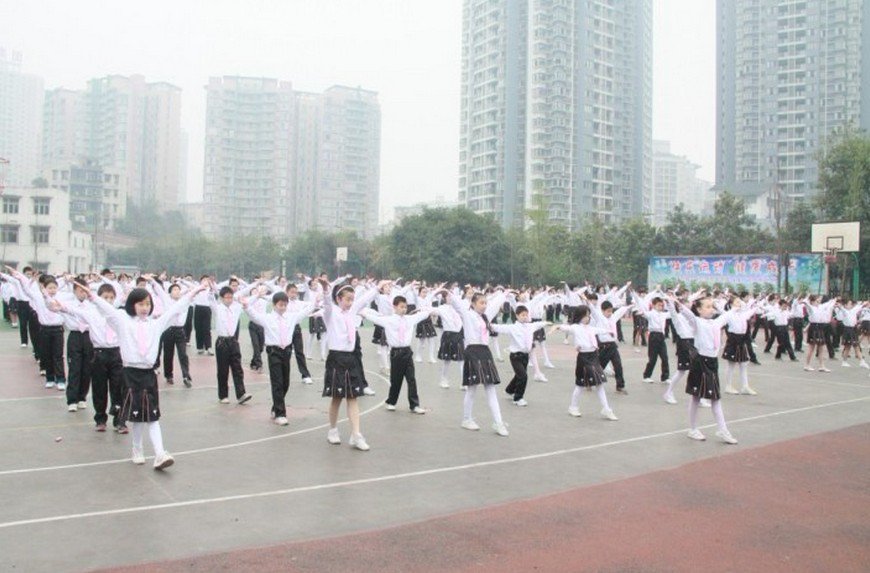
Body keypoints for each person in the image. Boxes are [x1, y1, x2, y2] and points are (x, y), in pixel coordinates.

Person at [88, 280, 207, 469]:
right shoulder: (122, 321)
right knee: (137, 417)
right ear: (132, 305)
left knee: (152, 416)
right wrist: (92, 296)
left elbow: (175, 309)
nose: (145, 308)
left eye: (148, 304)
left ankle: (160, 453)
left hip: (148, 374)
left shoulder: (156, 324)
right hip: (130, 373)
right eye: (141, 304)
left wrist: (193, 293)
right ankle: (137, 449)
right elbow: (107, 310)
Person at [52, 283, 128, 432]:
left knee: (118, 388)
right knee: (99, 388)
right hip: (98, 353)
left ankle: (120, 420)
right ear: (98, 298)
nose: (108, 300)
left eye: (111, 297)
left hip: (116, 354)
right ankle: (100, 419)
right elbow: (73, 310)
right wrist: (59, 306)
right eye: (105, 297)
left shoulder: (119, 314)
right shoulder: (91, 313)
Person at [669, 293, 739, 445]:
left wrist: (736, 306)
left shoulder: (715, 323)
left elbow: (728, 314)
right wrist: (677, 302)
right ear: (699, 310)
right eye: (707, 307)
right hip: (700, 363)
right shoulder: (697, 322)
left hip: (712, 363)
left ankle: (722, 429)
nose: (710, 309)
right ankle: (694, 429)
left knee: (715, 397)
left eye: (711, 306)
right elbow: (688, 314)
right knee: (696, 397)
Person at [321, 279, 381, 450]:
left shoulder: (352, 311)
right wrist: (326, 290)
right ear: (338, 298)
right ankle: (332, 430)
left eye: (352, 299)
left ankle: (356, 435)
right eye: (347, 299)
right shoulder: (331, 313)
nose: (350, 302)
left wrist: (377, 287)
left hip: (351, 358)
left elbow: (364, 300)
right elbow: (326, 304)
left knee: (353, 397)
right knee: (337, 397)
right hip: (336, 358)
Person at [243, 290, 315, 425]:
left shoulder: (291, 317)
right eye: (280, 305)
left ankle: (276, 407)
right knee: (277, 382)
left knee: (286, 383)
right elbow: (253, 316)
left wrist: (315, 302)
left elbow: (304, 312)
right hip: (274, 352)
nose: (282, 307)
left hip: (286, 352)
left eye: (285, 305)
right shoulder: (267, 318)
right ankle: (280, 414)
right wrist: (246, 306)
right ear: (274, 305)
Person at [446, 288, 510, 437]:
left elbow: (494, 305)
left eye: (485, 302)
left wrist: (504, 294)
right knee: (472, 389)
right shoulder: (468, 315)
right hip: (472, 352)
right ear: (473, 304)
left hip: (485, 352)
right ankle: (466, 419)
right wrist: (449, 293)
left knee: (490, 388)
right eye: (481, 303)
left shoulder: (485, 317)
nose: (484, 305)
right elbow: (459, 307)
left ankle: (498, 422)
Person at [361, 295, 433, 414]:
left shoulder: (410, 319)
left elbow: (422, 315)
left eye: (405, 307)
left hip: (407, 352)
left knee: (411, 379)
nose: (404, 309)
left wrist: (428, 310)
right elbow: (375, 319)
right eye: (401, 307)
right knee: (396, 380)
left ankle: (414, 405)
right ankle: (391, 402)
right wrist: (364, 314)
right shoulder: (389, 320)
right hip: (396, 353)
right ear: (395, 307)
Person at [4, 267, 65, 390]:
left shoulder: (61, 297)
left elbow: (67, 285)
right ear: (44, 288)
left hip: (58, 330)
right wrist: (22, 278)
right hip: (44, 329)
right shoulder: (37, 297)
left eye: (54, 288)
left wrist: (68, 280)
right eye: (50, 288)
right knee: (46, 354)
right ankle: (50, 378)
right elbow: (26, 290)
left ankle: (61, 379)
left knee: (58, 355)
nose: (52, 290)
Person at [553, 306, 619, 421]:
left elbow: (601, 330)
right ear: (580, 316)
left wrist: (610, 331)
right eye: (585, 315)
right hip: (584, 358)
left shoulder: (591, 328)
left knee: (599, 383)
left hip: (593, 356)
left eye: (588, 315)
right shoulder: (576, 327)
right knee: (581, 385)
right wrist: (556, 327)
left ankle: (606, 409)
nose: (587, 318)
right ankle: (573, 407)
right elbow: (565, 328)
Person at [491, 305, 549, 407]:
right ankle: (518, 398)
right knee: (523, 376)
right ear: (517, 316)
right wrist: (489, 325)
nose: (525, 317)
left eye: (526, 315)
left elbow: (538, 324)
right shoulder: (513, 327)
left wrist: (547, 323)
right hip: (515, 356)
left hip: (525, 356)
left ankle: (509, 390)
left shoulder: (530, 326)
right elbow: (499, 328)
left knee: (519, 375)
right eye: (522, 315)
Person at [207, 283, 252, 405]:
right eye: (226, 297)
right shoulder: (218, 308)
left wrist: (257, 294)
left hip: (233, 341)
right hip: (222, 342)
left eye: (230, 297)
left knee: (237, 368)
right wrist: (211, 290)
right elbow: (210, 299)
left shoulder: (236, 307)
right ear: (221, 298)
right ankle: (223, 395)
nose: (229, 300)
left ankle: (241, 393)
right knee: (223, 370)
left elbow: (248, 301)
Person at [153, 282, 193, 387]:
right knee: (168, 354)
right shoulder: (167, 300)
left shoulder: (184, 301)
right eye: (174, 289)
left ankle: (186, 375)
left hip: (180, 330)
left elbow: (193, 292)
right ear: (170, 293)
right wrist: (152, 281)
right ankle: (169, 375)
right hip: (168, 330)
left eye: (178, 289)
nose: (177, 291)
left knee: (183, 354)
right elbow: (159, 291)